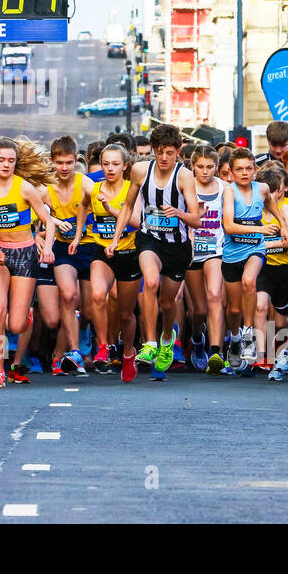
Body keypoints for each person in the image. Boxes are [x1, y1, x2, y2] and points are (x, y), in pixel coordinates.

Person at [106, 124, 202, 381]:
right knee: (149, 282)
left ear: (178, 151)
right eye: (159, 152)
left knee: (168, 302)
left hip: (177, 246)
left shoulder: (185, 177)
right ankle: (149, 343)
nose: (163, 157)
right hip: (150, 240)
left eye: (169, 152)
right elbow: (127, 207)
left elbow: (196, 219)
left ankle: (167, 338)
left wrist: (178, 213)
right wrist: (115, 239)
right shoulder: (140, 170)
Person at [0, 139, 56, 388]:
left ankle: (26, 317)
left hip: (24, 254)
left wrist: (46, 248)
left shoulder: (25, 189)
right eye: (1, 160)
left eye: (11, 160)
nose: (6, 164)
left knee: (15, 323)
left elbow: (49, 221)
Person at [220, 148, 287, 371]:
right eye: (239, 169)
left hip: (254, 250)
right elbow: (228, 226)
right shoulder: (229, 192)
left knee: (250, 281)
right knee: (233, 310)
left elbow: (270, 202)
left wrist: (283, 223)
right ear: (231, 172)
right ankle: (235, 337)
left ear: (255, 169)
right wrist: (259, 228)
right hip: (231, 254)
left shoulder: (263, 188)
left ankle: (248, 334)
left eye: (248, 168)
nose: (244, 173)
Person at [85, 143, 142, 382]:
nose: (109, 169)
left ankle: (128, 352)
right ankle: (103, 345)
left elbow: (137, 221)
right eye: (106, 164)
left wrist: (110, 208)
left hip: (128, 254)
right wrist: (78, 236)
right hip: (103, 252)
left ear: (125, 166)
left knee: (126, 313)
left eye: (115, 164)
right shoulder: (95, 188)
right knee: (98, 295)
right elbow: (82, 209)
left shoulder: (132, 188)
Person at [47, 136, 105, 372]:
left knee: (89, 310)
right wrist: (54, 220)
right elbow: (32, 209)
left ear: (75, 161)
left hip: (90, 247)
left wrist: (104, 201)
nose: (64, 168)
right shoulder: (46, 187)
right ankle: (74, 352)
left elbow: (105, 201)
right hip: (64, 249)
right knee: (68, 296)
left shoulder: (85, 183)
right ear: (52, 161)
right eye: (59, 162)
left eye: (68, 163)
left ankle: (85, 341)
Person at [252, 167, 288, 381]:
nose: (269, 196)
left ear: (281, 192)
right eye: (265, 192)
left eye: (273, 191)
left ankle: (283, 350)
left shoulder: (286, 209)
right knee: (260, 305)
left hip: (286, 269)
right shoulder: (252, 209)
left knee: (281, 322)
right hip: (264, 267)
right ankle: (261, 356)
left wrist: (267, 242)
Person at [184, 145, 226, 373]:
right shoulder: (185, 188)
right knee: (198, 310)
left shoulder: (223, 188)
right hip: (191, 252)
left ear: (217, 167)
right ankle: (198, 341)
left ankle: (216, 351)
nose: (205, 171)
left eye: (210, 167)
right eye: (200, 166)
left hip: (215, 250)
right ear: (192, 167)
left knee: (214, 296)